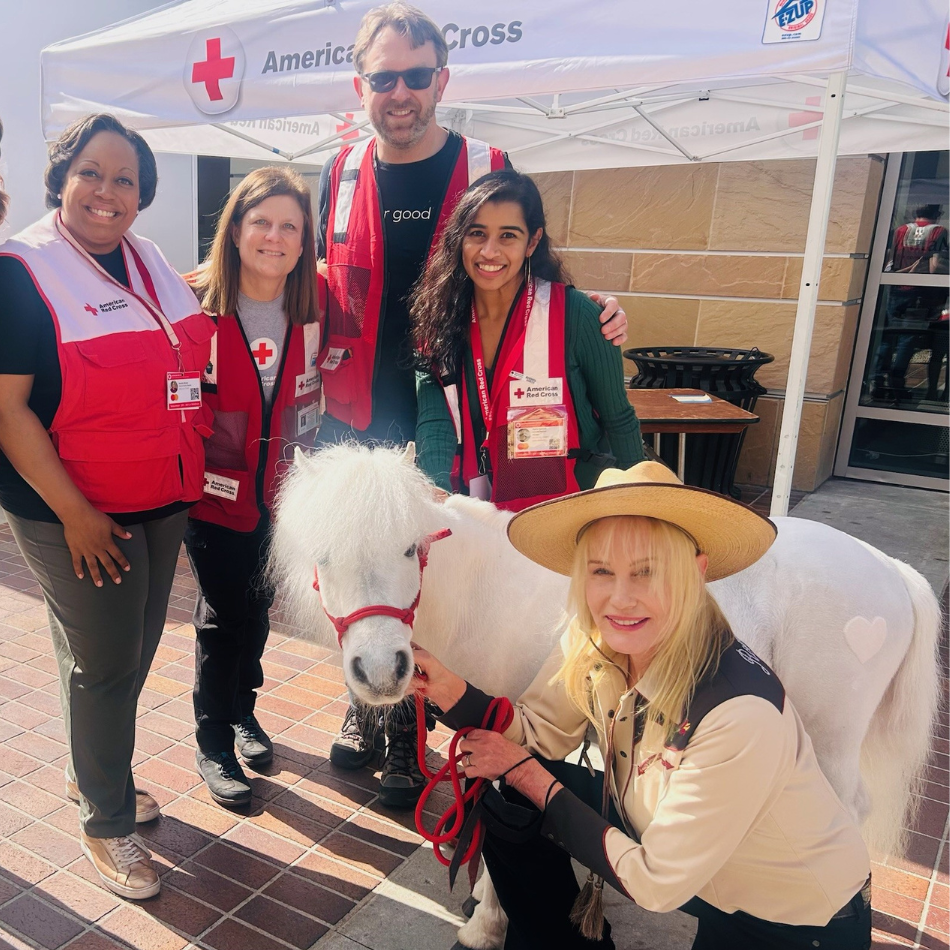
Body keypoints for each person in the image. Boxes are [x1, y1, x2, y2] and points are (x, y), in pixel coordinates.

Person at [317, 1, 630, 806]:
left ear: (441, 81)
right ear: (361, 85)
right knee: (371, 574)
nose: (400, 92)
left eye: (416, 77)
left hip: (459, 400)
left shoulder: (488, 157)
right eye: (383, 77)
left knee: (444, 580)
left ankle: (428, 727)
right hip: (367, 408)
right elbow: (315, 275)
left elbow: (525, 255)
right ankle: (376, 713)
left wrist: (593, 313)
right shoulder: (340, 169)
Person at [413, 461, 872, 950]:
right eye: (602, 571)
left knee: (527, 780)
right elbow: (538, 729)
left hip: (795, 922)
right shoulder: (595, 638)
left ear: (695, 571)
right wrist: (446, 689)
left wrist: (530, 775)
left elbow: (656, 883)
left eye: (647, 571)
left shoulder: (739, 714)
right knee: (509, 794)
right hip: (696, 863)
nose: (620, 598)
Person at [0, 113, 216, 899]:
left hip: (162, 494)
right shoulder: (23, 271)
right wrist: (76, 515)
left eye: (125, 178)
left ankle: (92, 771)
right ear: (61, 177)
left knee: (125, 646)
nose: (107, 191)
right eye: (91, 171)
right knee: (106, 661)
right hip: (72, 507)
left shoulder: (149, 258)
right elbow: (9, 411)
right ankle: (106, 822)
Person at [186, 166, 322, 807]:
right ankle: (212, 739)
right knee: (224, 616)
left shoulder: (317, 304)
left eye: (289, 226)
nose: (274, 236)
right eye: (261, 221)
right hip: (213, 499)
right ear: (235, 228)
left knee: (258, 610)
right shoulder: (189, 301)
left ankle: (243, 711)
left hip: (285, 495)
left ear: (304, 241)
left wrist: (598, 309)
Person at [412, 170, 644, 509]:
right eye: (477, 233)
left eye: (508, 235)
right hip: (474, 511)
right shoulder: (437, 321)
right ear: (460, 237)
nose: (489, 251)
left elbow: (618, 419)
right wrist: (437, 502)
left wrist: (638, 505)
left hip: (565, 512)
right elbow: (434, 423)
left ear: (532, 242)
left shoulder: (578, 316)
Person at [870, 204, 948, 401]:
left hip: (895, 289)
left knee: (888, 336)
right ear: (936, 215)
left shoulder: (901, 230)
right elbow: (935, 265)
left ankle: (877, 380)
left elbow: (890, 258)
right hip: (919, 292)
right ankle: (898, 380)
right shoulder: (939, 232)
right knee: (907, 338)